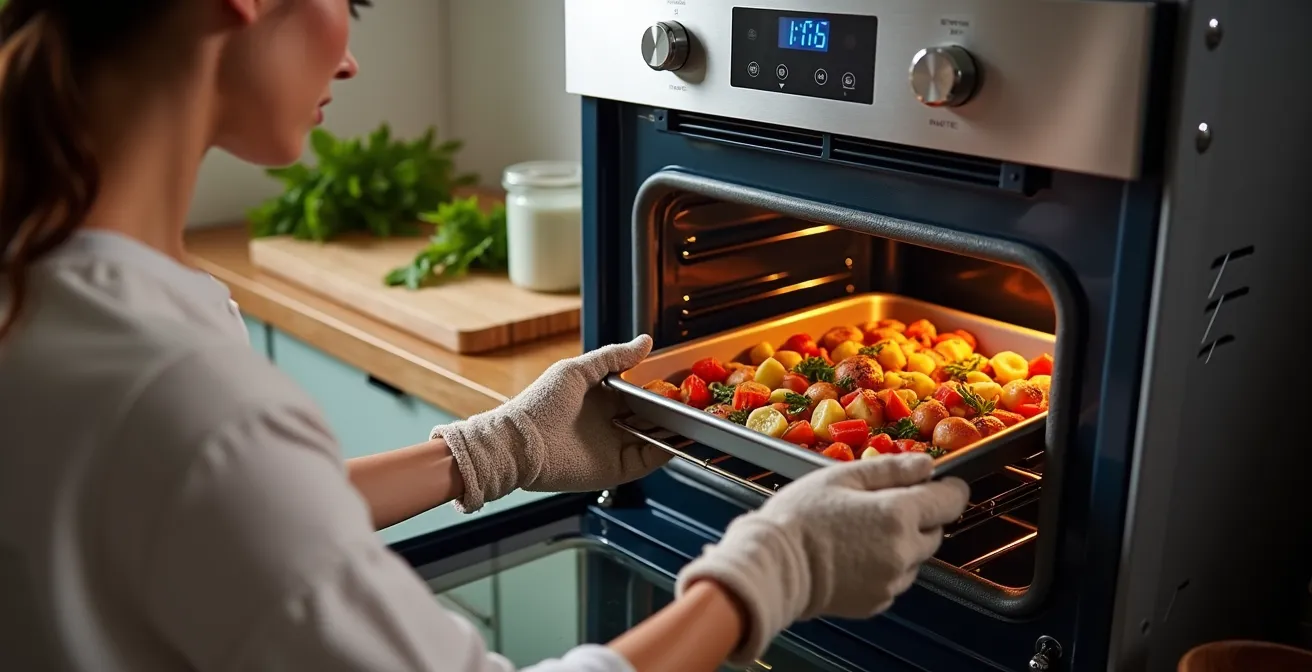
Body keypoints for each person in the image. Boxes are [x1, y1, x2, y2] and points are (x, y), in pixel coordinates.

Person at [0, 1, 971, 671]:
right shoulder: (179, 393)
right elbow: (213, 478)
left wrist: (488, 450)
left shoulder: (49, 291)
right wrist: (770, 572)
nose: (347, 58)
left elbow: (210, 527)